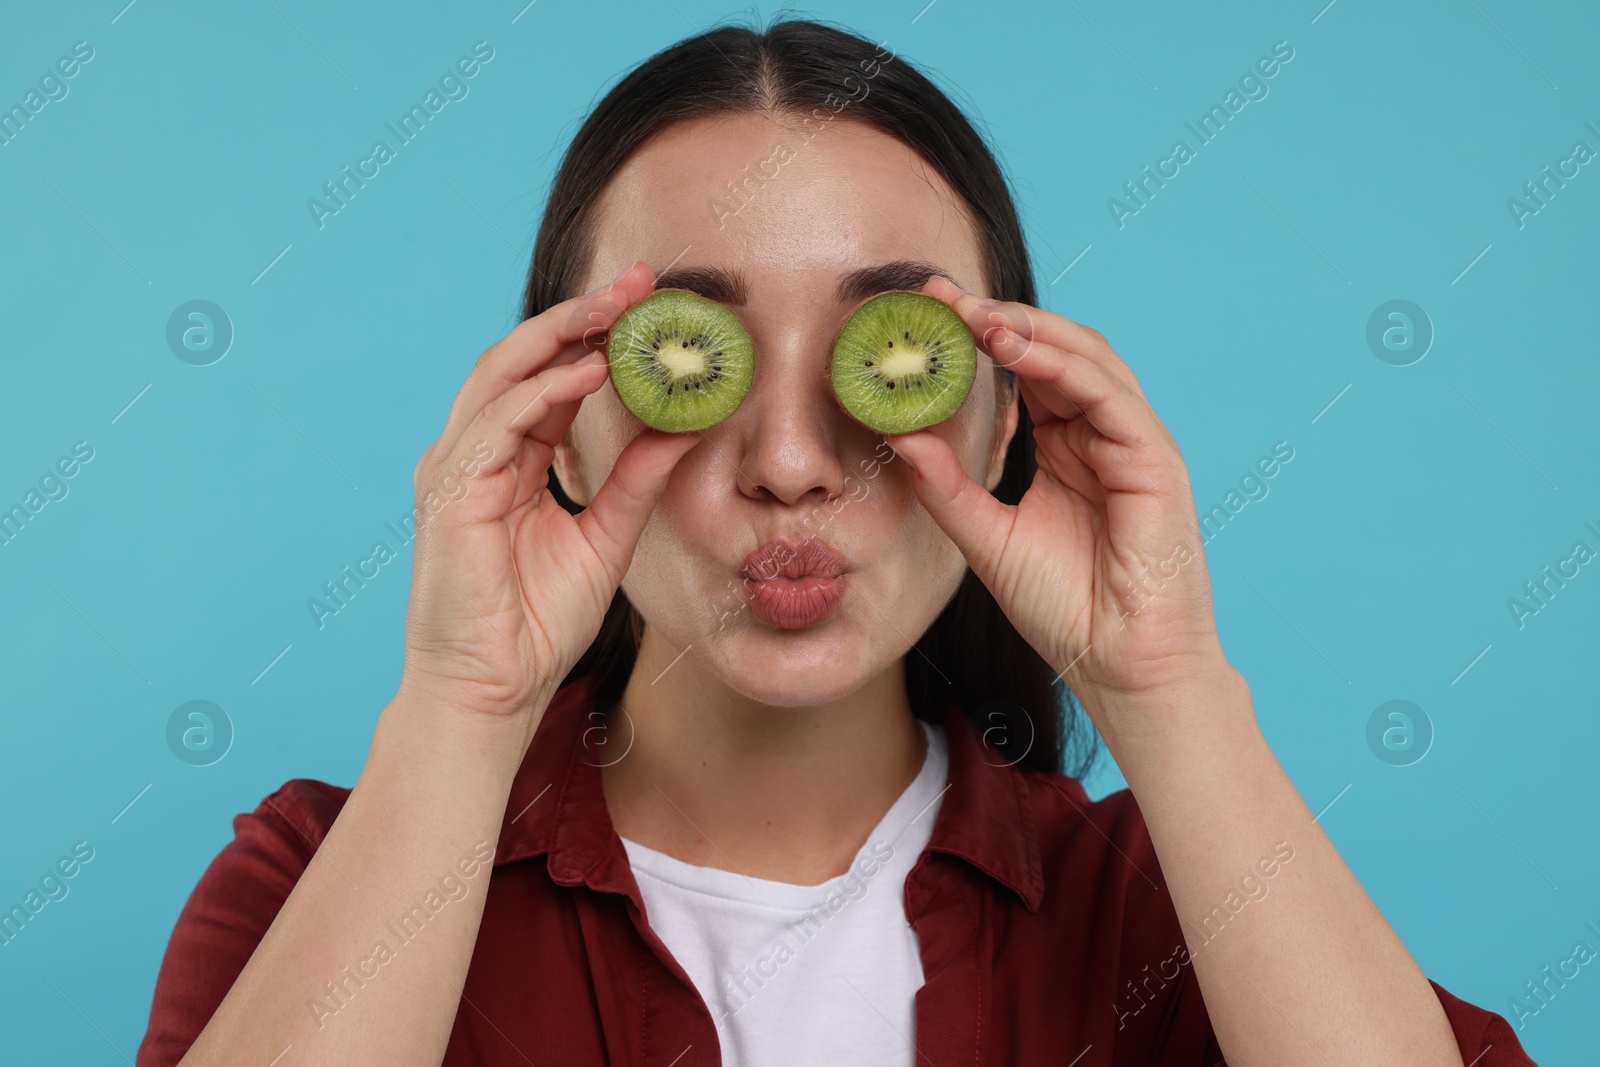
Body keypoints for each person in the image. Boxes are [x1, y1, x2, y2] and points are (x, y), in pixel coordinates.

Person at [136, 17, 1536, 1067]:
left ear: (1003, 424)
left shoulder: (1175, 926)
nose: (795, 464)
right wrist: (458, 713)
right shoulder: (321, 877)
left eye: (890, 353)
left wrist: (1172, 691)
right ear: (559, 424)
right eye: (691, 355)